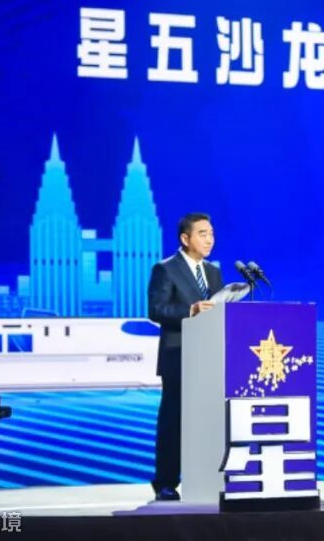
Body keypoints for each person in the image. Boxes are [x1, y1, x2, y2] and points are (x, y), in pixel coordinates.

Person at [148, 212, 224, 501]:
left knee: (209, 421)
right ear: (185, 238)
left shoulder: (213, 273)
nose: (209, 239)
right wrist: (190, 311)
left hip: (210, 358)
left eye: (212, 233)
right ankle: (165, 482)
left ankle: (206, 477)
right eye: (203, 234)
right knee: (173, 422)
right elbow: (156, 310)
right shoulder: (165, 269)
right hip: (178, 357)